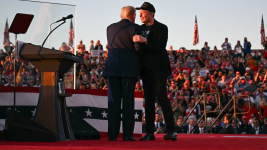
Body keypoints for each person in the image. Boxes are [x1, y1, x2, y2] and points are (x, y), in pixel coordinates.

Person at [133, 2, 177, 141]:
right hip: (145, 69)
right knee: (149, 99)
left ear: (151, 13)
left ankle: (171, 130)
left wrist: (144, 40)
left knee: (161, 96)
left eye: (143, 12)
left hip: (159, 68)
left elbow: (160, 46)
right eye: (139, 12)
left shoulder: (161, 27)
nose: (140, 14)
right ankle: (150, 132)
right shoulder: (139, 28)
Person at [102, 6, 142, 141]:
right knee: (128, 103)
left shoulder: (110, 28)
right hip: (128, 69)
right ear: (132, 16)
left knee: (113, 102)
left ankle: (112, 135)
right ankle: (128, 135)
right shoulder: (135, 28)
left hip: (112, 68)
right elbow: (138, 48)